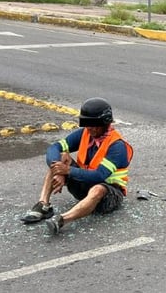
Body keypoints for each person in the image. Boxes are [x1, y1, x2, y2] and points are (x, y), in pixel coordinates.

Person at [20, 97, 133, 235]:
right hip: (83, 185)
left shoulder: (117, 146)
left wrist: (68, 170)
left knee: (98, 188)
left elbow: (99, 176)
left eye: (93, 124)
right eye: (86, 124)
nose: (89, 128)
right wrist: (59, 172)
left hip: (109, 194)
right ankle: (43, 205)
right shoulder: (84, 134)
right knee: (60, 158)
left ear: (104, 123)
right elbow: (54, 147)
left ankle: (62, 220)